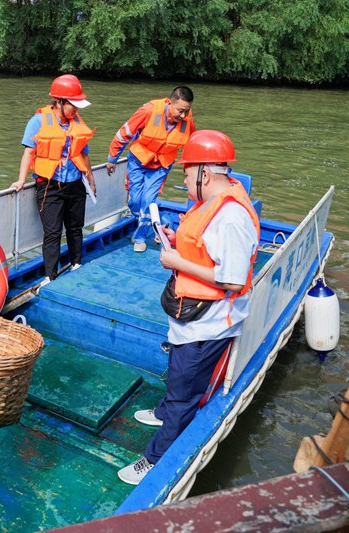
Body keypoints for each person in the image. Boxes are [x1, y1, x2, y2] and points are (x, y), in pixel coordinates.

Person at [117, 130, 260, 485]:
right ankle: (166, 411)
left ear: (204, 174)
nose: (183, 182)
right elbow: (203, 246)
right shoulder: (210, 204)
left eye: (185, 174)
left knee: (185, 391)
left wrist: (174, 262)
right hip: (191, 314)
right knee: (177, 372)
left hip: (208, 323)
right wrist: (172, 237)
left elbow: (230, 278)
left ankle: (155, 460)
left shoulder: (231, 217)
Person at [10, 74, 97, 283]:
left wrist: (91, 177)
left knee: (75, 227)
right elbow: (28, 153)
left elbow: (84, 153)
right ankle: (51, 275)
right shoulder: (38, 121)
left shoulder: (76, 121)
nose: (76, 109)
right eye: (73, 105)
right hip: (49, 186)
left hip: (75, 184)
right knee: (53, 233)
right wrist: (21, 180)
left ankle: (77, 263)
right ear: (59, 102)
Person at [106, 86, 195, 252]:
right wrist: (112, 159)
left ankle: (140, 237)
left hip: (162, 165)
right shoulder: (148, 111)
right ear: (170, 102)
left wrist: (193, 167)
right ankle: (161, 220)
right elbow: (123, 134)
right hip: (138, 161)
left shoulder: (187, 120)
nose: (183, 116)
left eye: (187, 111)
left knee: (148, 201)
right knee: (134, 201)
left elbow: (193, 144)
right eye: (180, 111)